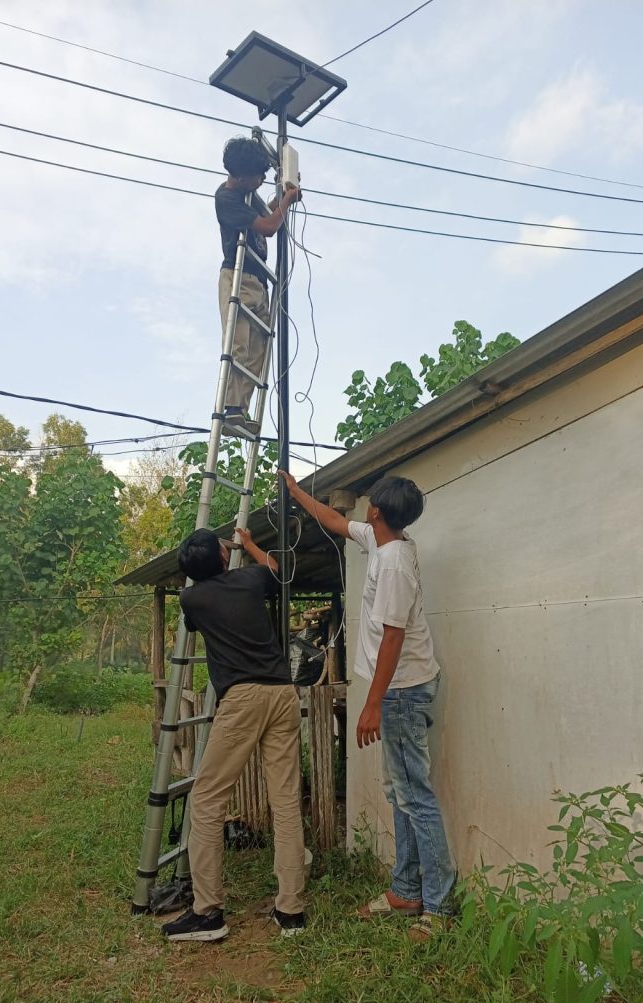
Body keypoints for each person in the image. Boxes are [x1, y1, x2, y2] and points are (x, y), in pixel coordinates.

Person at [279, 471, 456, 939]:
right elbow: (336, 523)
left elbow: (394, 636)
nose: (362, 506)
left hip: (401, 690)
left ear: (376, 511)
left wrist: (373, 703)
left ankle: (437, 906)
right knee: (402, 792)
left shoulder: (395, 561)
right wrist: (296, 492)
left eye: (369, 501)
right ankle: (405, 889)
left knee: (415, 795)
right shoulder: (382, 540)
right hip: (397, 688)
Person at [161, 526, 305, 942]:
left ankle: (208, 912)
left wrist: (223, 556)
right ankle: (290, 910)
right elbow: (273, 567)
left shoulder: (193, 598)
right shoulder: (249, 579)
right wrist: (250, 544)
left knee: (206, 799)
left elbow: (196, 611)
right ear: (225, 558)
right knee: (285, 801)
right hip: (281, 693)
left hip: (242, 700)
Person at [215, 137, 301, 438]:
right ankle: (230, 409)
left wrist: (284, 195)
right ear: (241, 177)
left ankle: (240, 409)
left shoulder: (249, 197)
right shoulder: (226, 199)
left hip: (258, 282)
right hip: (237, 277)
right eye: (258, 176)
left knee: (259, 348)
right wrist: (287, 203)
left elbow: (267, 216)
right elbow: (267, 227)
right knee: (238, 345)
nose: (262, 179)